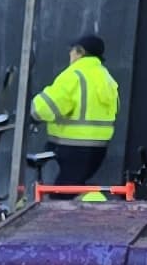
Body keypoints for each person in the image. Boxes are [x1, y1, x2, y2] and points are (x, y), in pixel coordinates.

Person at [31, 33, 122, 187]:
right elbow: (116, 108)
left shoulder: (75, 74)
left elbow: (46, 106)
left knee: (62, 195)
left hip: (71, 147)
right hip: (98, 149)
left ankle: (95, 210)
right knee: (75, 187)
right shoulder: (107, 78)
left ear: (80, 52)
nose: (69, 53)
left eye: (72, 50)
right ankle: (94, 208)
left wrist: (32, 114)